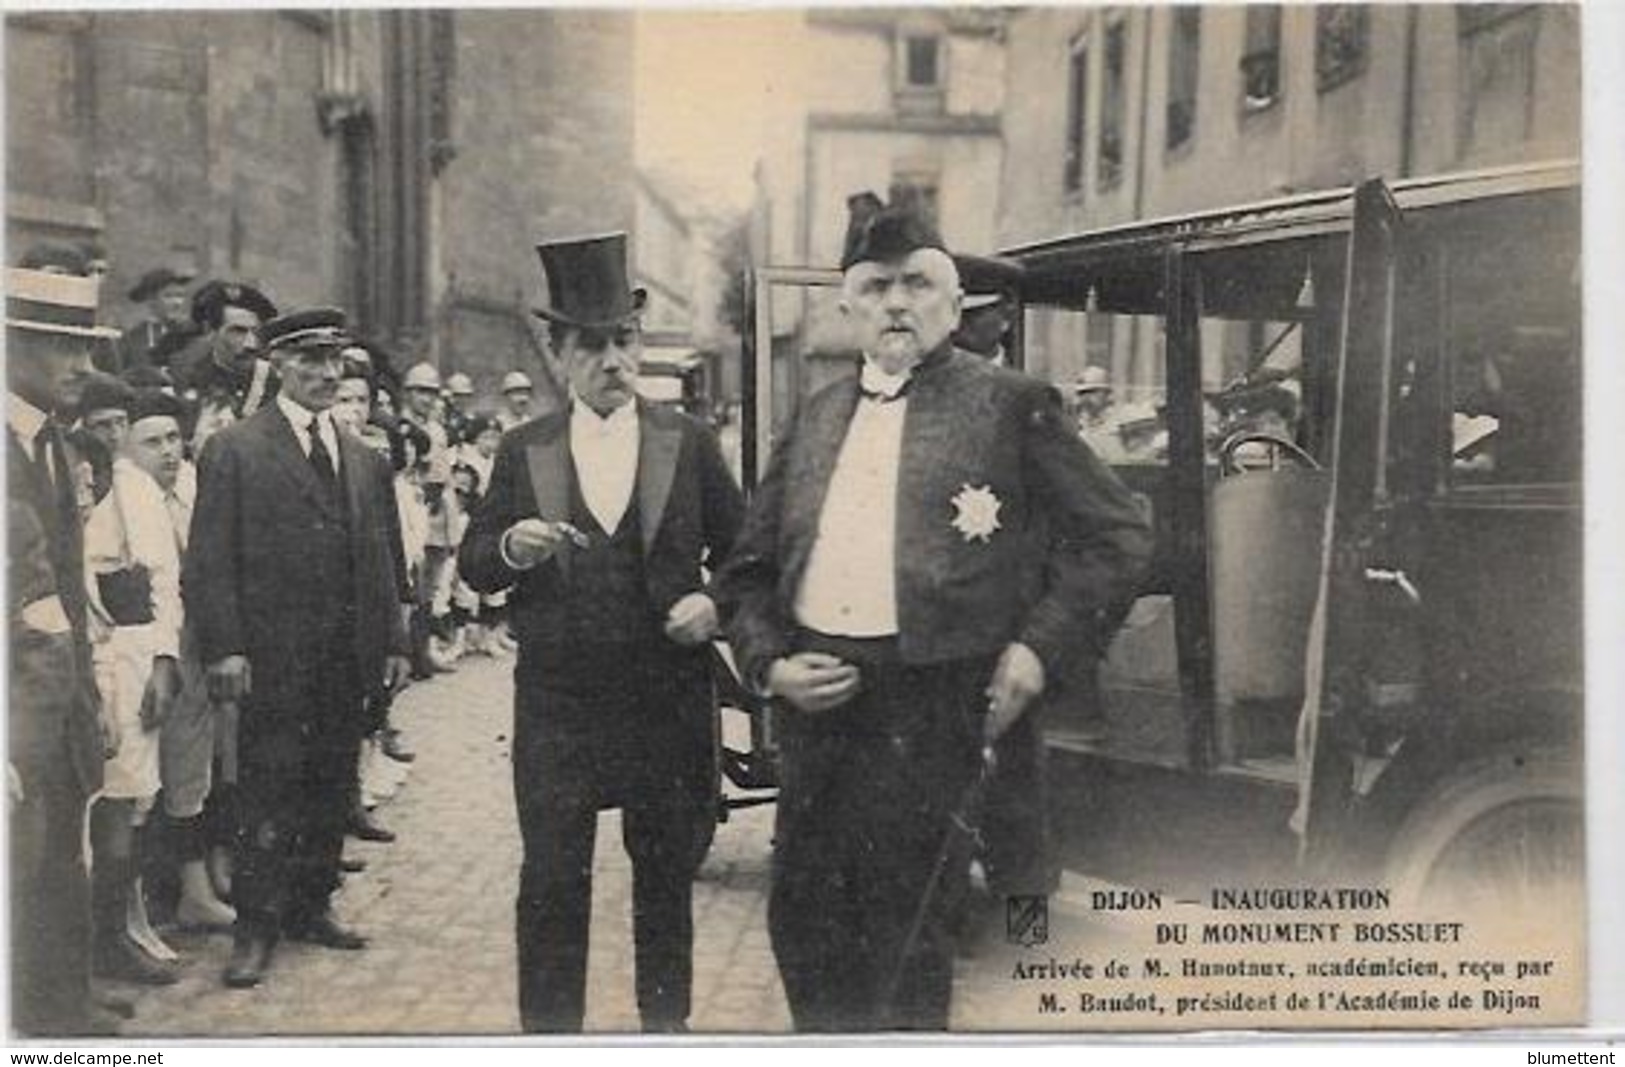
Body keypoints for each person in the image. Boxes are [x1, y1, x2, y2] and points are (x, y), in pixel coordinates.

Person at [713, 208, 1151, 1031]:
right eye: (875, 287)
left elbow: (1117, 535)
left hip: (935, 711)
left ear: (953, 305)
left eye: (917, 283)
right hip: (817, 715)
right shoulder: (813, 419)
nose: (895, 304)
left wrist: (1036, 649)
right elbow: (745, 573)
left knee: (906, 944)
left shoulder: (1009, 404)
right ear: (847, 308)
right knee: (801, 924)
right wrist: (770, 665)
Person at [459, 232, 745, 1033]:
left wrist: (714, 604)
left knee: (664, 879)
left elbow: (748, 554)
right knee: (551, 878)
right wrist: (512, 546)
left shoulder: (684, 442)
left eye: (625, 339)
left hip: (665, 699)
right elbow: (477, 560)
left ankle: (666, 1035)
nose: (613, 359)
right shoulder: (526, 449)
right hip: (559, 706)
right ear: (559, 352)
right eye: (593, 344)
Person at [184, 307, 413, 989]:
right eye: (307, 361)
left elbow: (385, 559)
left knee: (330, 780)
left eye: (333, 361)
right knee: (266, 789)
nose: (323, 373)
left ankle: (312, 905)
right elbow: (209, 560)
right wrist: (225, 646)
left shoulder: (364, 457)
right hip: (271, 657)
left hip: (345, 657)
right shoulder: (236, 449)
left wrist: (394, 639)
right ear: (278, 366)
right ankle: (256, 924)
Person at [7, 266, 123, 1035]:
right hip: (15, 704)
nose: (80, 366)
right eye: (59, 346)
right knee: (21, 860)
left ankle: (61, 1000)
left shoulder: (57, 443)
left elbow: (69, 593)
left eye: (85, 347)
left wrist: (88, 691)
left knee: (61, 856)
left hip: (60, 692)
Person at [82, 383, 186, 986]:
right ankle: (89, 946)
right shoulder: (69, 485)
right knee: (90, 810)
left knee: (130, 802)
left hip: (137, 658)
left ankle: (118, 936)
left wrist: (165, 661)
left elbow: (164, 581)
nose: (112, 437)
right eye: (101, 424)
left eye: (121, 423)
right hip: (87, 659)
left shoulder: (139, 488)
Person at [168, 280, 279, 418]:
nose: (251, 344)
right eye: (238, 331)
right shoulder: (185, 376)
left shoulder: (272, 379)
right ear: (211, 331)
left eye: (256, 332)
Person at [116, 267, 195, 376]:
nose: (177, 303)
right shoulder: (133, 338)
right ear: (151, 300)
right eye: (168, 296)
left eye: (180, 296)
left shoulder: (192, 335)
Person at [951, 253, 1023, 367]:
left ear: (1006, 315)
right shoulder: (920, 382)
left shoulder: (1026, 384)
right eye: (949, 315)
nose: (954, 326)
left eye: (969, 315)